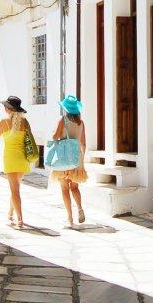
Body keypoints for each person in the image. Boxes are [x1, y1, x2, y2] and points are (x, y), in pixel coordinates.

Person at [0, 95, 32, 228]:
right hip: (23, 159)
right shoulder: (25, 123)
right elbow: (29, 140)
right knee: (15, 188)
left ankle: (20, 219)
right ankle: (10, 213)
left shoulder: (3, 122)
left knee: (15, 190)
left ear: (8, 109)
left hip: (10, 160)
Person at [51, 95, 87, 228]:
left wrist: (54, 134)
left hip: (64, 159)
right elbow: (83, 143)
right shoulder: (81, 123)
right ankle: (80, 209)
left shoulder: (63, 120)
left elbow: (56, 136)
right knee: (75, 188)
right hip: (77, 158)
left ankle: (70, 218)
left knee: (65, 189)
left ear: (66, 109)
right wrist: (82, 160)